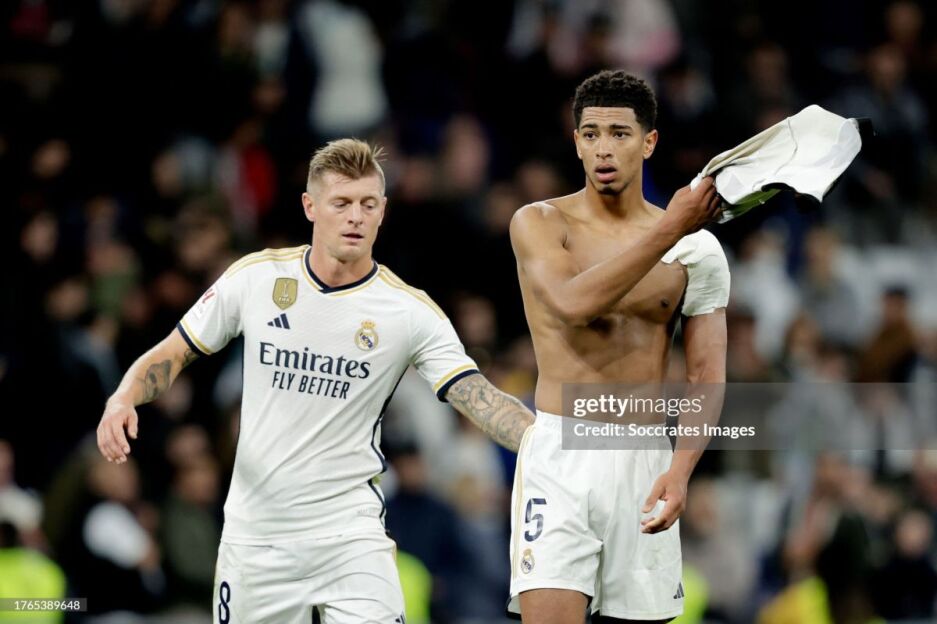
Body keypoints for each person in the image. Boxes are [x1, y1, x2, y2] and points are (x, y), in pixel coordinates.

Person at [96, 139, 535, 624]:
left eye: (368, 204)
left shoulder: (409, 312)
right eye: (341, 203)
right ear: (310, 206)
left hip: (351, 539)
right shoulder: (257, 279)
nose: (355, 217)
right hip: (257, 539)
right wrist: (124, 396)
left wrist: (544, 442)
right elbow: (173, 352)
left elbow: (477, 395)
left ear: (383, 211)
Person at [507, 70, 729, 622]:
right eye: (591, 134)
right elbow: (573, 303)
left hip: (646, 459)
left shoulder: (699, 250)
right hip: (561, 454)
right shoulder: (539, 222)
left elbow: (706, 375)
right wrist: (672, 227)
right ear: (576, 142)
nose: (603, 148)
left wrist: (681, 471)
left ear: (649, 142)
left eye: (619, 133)